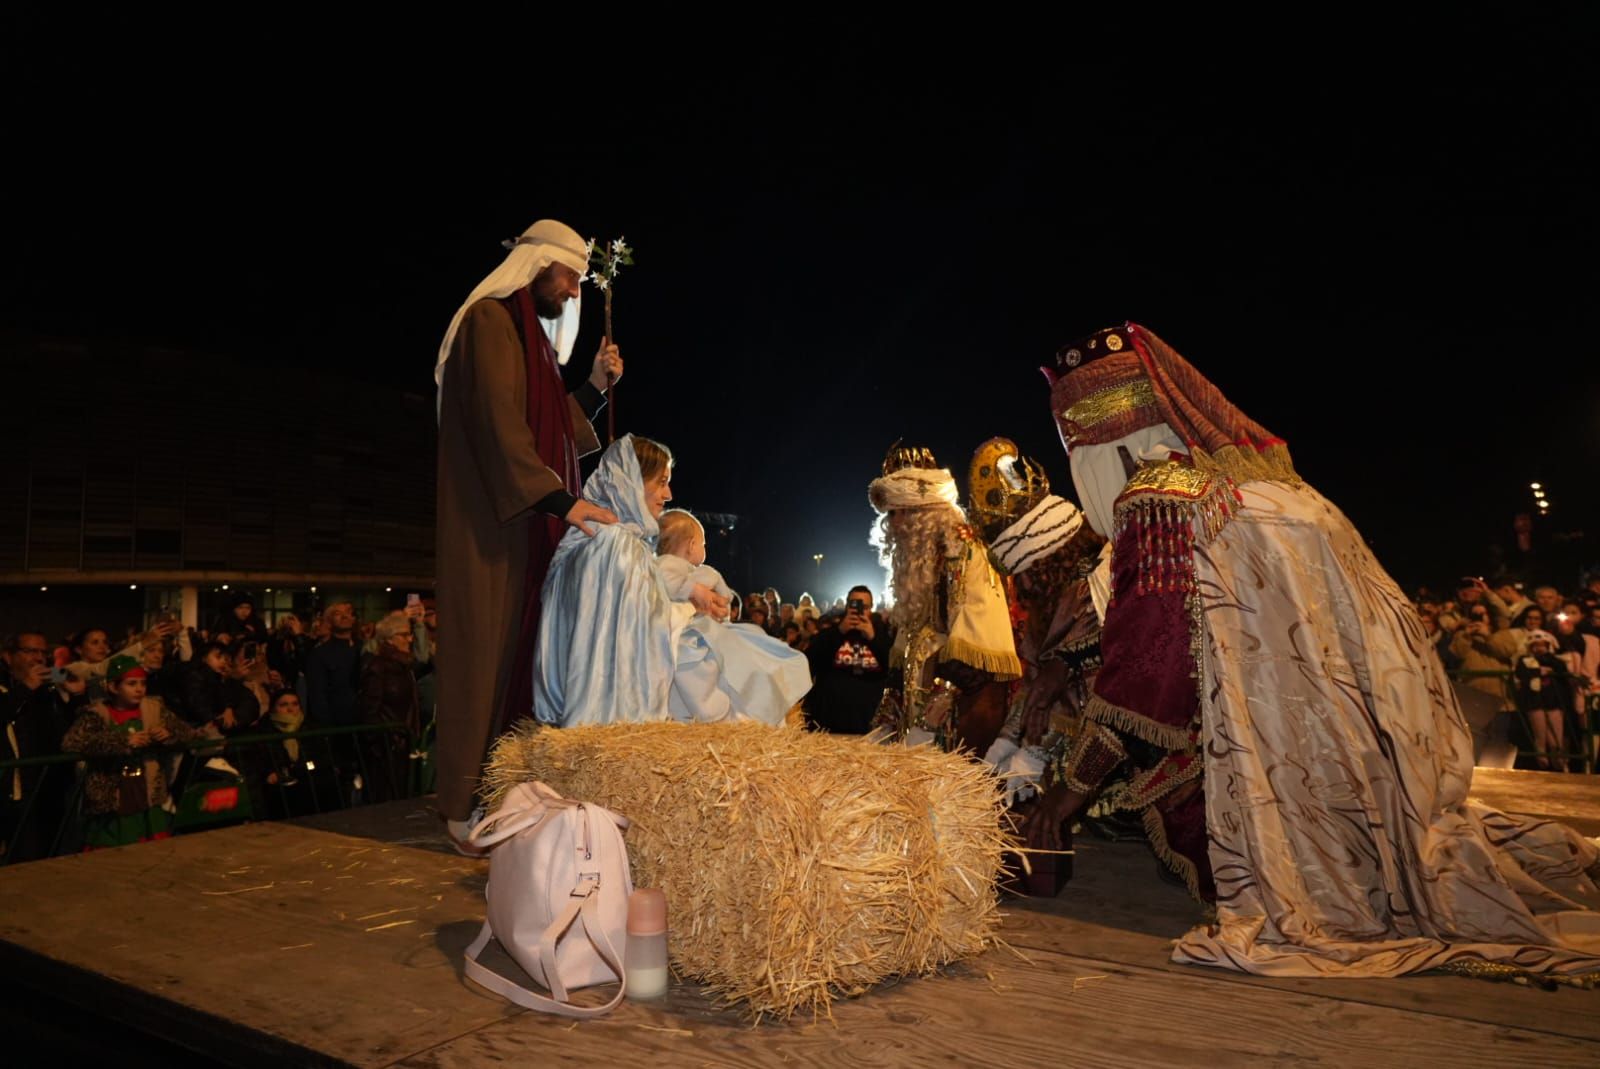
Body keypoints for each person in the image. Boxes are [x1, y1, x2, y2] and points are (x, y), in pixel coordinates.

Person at [1028, 320, 1600, 982]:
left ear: (1093, 448)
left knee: (1160, 796)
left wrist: (1064, 798)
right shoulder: (1262, 489)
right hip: (1362, 772)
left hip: (1290, 809)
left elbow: (1144, 684)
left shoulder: (1157, 506)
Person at [433, 219, 622, 848]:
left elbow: (546, 429)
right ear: (539, 263)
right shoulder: (490, 323)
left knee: (515, 664)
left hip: (522, 528)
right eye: (570, 277)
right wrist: (565, 503)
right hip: (489, 528)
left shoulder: (527, 339)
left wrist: (594, 388)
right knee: (481, 660)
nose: (572, 293)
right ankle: (459, 809)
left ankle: (494, 797)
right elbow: (500, 428)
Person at [538, 434, 807, 727]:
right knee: (713, 651)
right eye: (661, 481)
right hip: (609, 718)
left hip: (574, 709)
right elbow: (641, 635)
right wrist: (692, 608)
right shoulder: (617, 545)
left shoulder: (591, 536)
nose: (669, 494)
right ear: (631, 481)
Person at [867, 444, 1021, 754]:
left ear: (922, 514)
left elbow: (974, 642)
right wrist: (887, 719)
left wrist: (929, 723)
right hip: (920, 693)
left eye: (899, 513)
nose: (893, 525)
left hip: (961, 708)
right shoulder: (920, 563)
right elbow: (905, 642)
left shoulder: (962, 551)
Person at [656, 508, 811, 724]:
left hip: (703, 629)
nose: (704, 549)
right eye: (703, 544)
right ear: (691, 546)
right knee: (699, 666)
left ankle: (743, 703)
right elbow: (667, 582)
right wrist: (695, 590)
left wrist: (720, 604)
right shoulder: (666, 564)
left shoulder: (703, 573)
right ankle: (706, 710)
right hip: (684, 632)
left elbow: (724, 596)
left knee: (742, 647)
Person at [61, 654, 199, 849]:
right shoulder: (96, 714)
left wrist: (168, 733)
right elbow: (72, 742)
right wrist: (122, 742)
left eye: (142, 683)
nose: (139, 689)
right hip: (112, 796)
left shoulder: (154, 709)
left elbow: (187, 731)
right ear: (113, 687)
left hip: (146, 791)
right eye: (131, 683)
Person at [802, 586, 892, 735]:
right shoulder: (830, 633)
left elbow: (892, 667)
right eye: (855, 605)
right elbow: (811, 661)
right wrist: (839, 632)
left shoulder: (883, 635)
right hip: (829, 722)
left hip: (867, 723)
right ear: (847, 606)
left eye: (866, 607)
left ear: (871, 608)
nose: (860, 610)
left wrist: (873, 639)